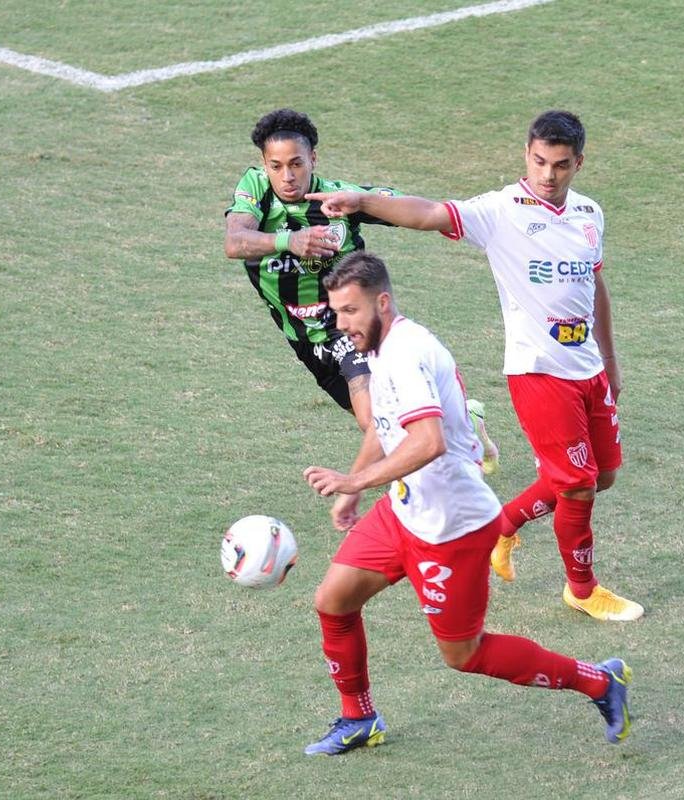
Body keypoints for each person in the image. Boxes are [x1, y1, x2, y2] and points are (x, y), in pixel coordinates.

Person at [310, 110, 641, 621]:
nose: (547, 175)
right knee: (575, 483)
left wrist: (611, 364)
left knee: (602, 477)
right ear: (525, 155)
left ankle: (502, 527)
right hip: (538, 371)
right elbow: (429, 214)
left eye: (559, 165)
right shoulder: (501, 210)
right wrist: (361, 202)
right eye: (538, 161)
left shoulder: (589, 214)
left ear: (579, 162)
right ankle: (581, 588)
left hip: (588, 368)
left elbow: (595, 287)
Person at [300, 252, 631, 755]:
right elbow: (385, 425)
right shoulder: (381, 345)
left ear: (382, 302)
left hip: (450, 528)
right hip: (403, 512)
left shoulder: (407, 352)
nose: (342, 325)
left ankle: (600, 683)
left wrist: (355, 479)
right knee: (333, 601)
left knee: (464, 653)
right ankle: (358, 717)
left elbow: (427, 440)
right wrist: (355, 489)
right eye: (337, 312)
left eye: (349, 311)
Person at [223, 109, 499, 472]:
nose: (287, 176)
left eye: (296, 164)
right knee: (388, 414)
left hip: (350, 323)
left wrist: (368, 202)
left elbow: (412, 208)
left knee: (373, 420)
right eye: (276, 166)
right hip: (304, 337)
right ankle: (466, 417)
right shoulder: (256, 190)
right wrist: (290, 241)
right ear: (263, 164)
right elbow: (235, 241)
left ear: (313, 159)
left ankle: (422, 488)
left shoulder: (338, 200)